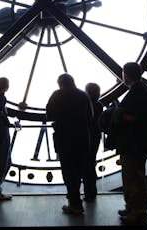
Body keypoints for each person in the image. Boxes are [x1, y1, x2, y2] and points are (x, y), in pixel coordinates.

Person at [114, 62, 147, 225]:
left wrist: (118, 114)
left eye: (124, 73)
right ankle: (135, 209)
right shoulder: (144, 91)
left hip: (133, 143)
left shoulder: (137, 92)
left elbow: (132, 117)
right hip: (139, 142)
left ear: (127, 74)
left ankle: (136, 211)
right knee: (136, 177)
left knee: (133, 178)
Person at [46, 73, 93, 215]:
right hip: (82, 139)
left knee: (68, 172)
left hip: (64, 139)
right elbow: (90, 116)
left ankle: (74, 203)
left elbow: (50, 115)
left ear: (60, 83)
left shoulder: (57, 95)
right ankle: (77, 203)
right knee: (79, 171)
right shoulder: (83, 95)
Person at [82, 82, 104, 202]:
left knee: (86, 165)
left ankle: (89, 192)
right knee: (90, 164)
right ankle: (92, 191)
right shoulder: (99, 105)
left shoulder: (85, 105)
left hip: (87, 137)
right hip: (95, 137)